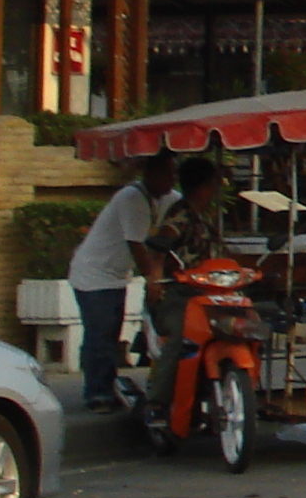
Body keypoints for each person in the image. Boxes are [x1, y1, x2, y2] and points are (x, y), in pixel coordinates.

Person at [65, 152, 173, 409]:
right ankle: (97, 393)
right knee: (101, 333)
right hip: (94, 273)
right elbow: (136, 245)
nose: (172, 180)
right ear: (151, 175)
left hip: (115, 275)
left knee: (111, 333)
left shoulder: (164, 198)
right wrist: (152, 278)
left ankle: (107, 385)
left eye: (174, 174)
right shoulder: (132, 197)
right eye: (168, 174)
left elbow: (181, 212)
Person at [139, 157, 229, 427]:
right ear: (204, 187)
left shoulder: (205, 217)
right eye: (214, 183)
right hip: (177, 296)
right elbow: (161, 243)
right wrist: (155, 275)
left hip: (210, 294)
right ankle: (157, 402)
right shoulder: (180, 214)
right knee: (182, 336)